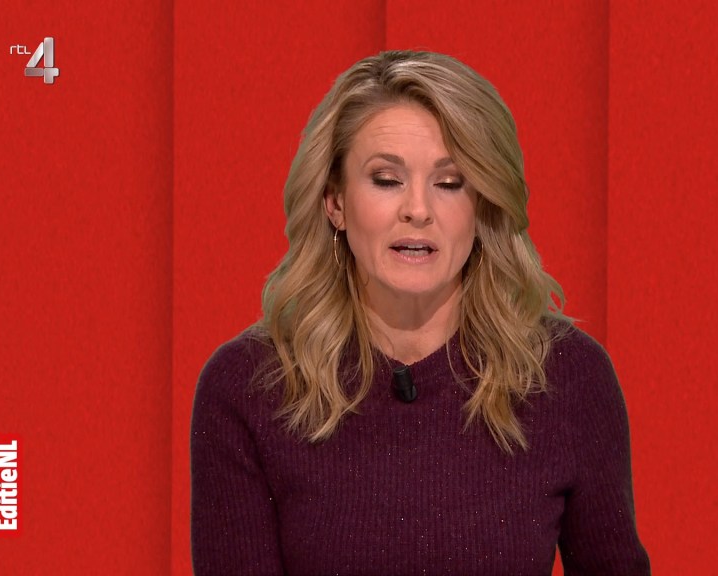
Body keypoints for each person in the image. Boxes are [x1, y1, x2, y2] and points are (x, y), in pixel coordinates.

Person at [190, 50, 650, 575]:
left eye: (449, 183)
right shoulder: (247, 388)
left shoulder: (568, 378)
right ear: (335, 202)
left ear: (483, 206)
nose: (418, 210)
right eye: (386, 180)